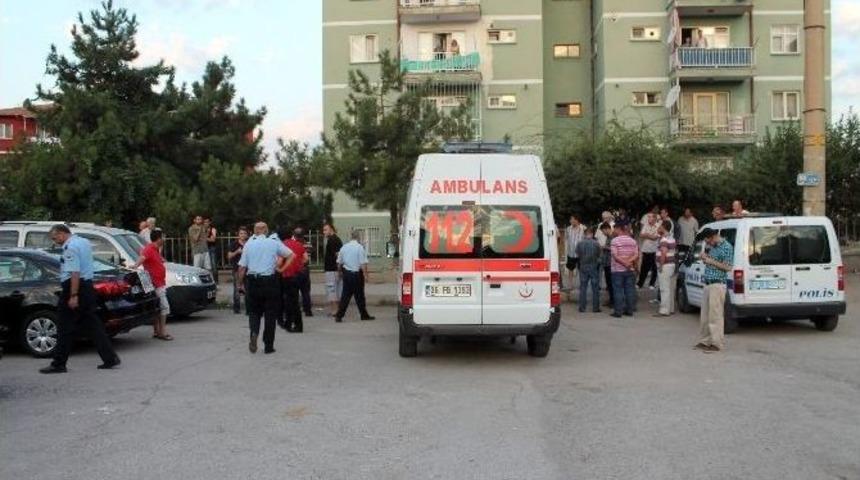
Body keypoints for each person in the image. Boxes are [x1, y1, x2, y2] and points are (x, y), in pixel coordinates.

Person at [40, 225, 120, 373]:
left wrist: (73, 295)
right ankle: (110, 358)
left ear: (62, 234)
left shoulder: (70, 247)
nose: (55, 241)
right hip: (87, 286)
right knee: (94, 325)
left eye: (55, 238)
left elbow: (74, 273)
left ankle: (59, 363)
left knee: (64, 326)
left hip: (75, 287)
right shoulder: (83, 242)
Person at [236, 222, 294, 354]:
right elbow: (291, 255)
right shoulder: (273, 242)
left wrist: (240, 284)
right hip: (270, 281)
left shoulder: (248, 244)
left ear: (255, 231)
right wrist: (281, 269)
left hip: (253, 281)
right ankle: (268, 346)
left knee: (254, 312)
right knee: (270, 314)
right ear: (266, 231)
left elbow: (242, 268)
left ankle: (254, 332)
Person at [696, 228, 734, 353]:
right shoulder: (713, 246)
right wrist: (705, 258)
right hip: (708, 283)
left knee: (715, 316)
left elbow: (728, 267)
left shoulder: (726, 247)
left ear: (713, 237)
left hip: (717, 285)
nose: (707, 244)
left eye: (708, 241)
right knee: (705, 316)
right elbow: (712, 263)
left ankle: (717, 343)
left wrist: (710, 260)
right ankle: (705, 341)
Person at [130, 228, 172, 340]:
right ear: (158, 239)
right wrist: (135, 265)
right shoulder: (149, 248)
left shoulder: (155, 249)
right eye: (162, 237)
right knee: (164, 307)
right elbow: (142, 257)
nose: (164, 239)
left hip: (158, 282)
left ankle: (156, 331)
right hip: (156, 283)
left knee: (157, 307)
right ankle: (162, 332)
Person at [334, 230, 375, 322]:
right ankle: (364, 315)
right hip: (357, 275)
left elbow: (339, 262)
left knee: (345, 296)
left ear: (351, 237)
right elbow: (363, 263)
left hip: (347, 274)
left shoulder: (344, 247)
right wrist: (366, 275)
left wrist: (339, 273)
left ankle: (339, 315)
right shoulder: (359, 248)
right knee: (360, 296)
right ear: (358, 237)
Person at [279, 229, 308, 333]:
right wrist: (298, 265)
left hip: (286, 275)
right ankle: (295, 324)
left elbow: (279, 261)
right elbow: (306, 259)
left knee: (288, 301)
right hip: (297, 275)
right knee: (294, 301)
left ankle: (290, 323)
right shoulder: (299, 245)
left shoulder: (283, 245)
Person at [610, 221, 639, 318]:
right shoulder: (633, 241)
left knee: (618, 290)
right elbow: (636, 254)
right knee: (629, 290)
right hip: (629, 269)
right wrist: (628, 261)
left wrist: (624, 262)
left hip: (617, 270)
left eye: (614, 228)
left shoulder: (615, 241)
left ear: (618, 229)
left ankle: (618, 312)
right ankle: (629, 310)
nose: (613, 230)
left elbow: (615, 255)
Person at [575, 227, 602, 313]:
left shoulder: (580, 243)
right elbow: (599, 255)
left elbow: (577, 253)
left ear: (584, 234)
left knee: (583, 287)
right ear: (592, 234)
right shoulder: (596, 243)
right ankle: (595, 308)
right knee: (595, 288)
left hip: (583, 266)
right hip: (594, 266)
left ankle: (582, 307)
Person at [655, 220, 677, 317]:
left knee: (664, 288)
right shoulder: (672, 238)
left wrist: (661, 265)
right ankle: (670, 308)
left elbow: (663, 252)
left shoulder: (664, 239)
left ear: (664, 227)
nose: (659, 227)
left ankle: (664, 310)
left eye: (660, 226)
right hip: (671, 264)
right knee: (670, 288)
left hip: (665, 265)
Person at [227, 226, 249, 314]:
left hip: (248, 269)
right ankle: (236, 308)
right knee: (237, 288)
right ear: (238, 235)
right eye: (241, 233)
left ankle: (248, 309)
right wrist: (237, 252)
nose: (243, 235)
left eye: (244, 233)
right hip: (237, 269)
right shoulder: (233, 244)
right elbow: (229, 256)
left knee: (248, 289)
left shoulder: (249, 244)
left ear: (247, 235)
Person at [323, 223, 343, 316]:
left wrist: (339, 269)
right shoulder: (336, 239)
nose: (324, 232)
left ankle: (335, 311)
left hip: (332, 270)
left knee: (332, 290)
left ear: (331, 229)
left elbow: (338, 255)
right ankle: (337, 310)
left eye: (325, 230)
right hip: (334, 269)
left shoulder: (332, 240)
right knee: (336, 290)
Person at [293, 228, 313, 317]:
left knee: (295, 291)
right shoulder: (308, 244)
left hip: (295, 270)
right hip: (305, 270)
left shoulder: (293, 244)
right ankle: (308, 310)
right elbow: (310, 254)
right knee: (305, 291)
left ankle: (296, 309)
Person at [637, 213, 660, 290]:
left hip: (654, 250)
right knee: (644, 267)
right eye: (648, 217)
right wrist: (649, 235)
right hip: (646, 249)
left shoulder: (658, 226)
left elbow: (655, 237)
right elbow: (641, 235)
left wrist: (646, 234)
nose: (648, 219)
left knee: (654, 267)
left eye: (650, 217)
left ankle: (652, 283)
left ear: (654, 218)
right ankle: (640, 283)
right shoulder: (646, 225)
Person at [564, 215, 585, 291]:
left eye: (572, 219)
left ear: (577, 220)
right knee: (570, 268)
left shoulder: (583, 228)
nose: (570, 221)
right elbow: (566, 239)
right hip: (571, 252)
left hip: (581, 254)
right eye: (570, 220)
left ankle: (582, 284)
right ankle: (570, 285)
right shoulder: (568, 229)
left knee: (581, 269)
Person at [598, 222, 615, 307]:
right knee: (608, 283)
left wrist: (604, 247)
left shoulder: (613, 237)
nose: (603, 233)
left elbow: (614, 248)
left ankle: (613, 301)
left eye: (603, 231)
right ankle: (611, 300)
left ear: (607, 229)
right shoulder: (608, 237)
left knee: (611, 283)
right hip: (607, 262)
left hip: (611, 263)